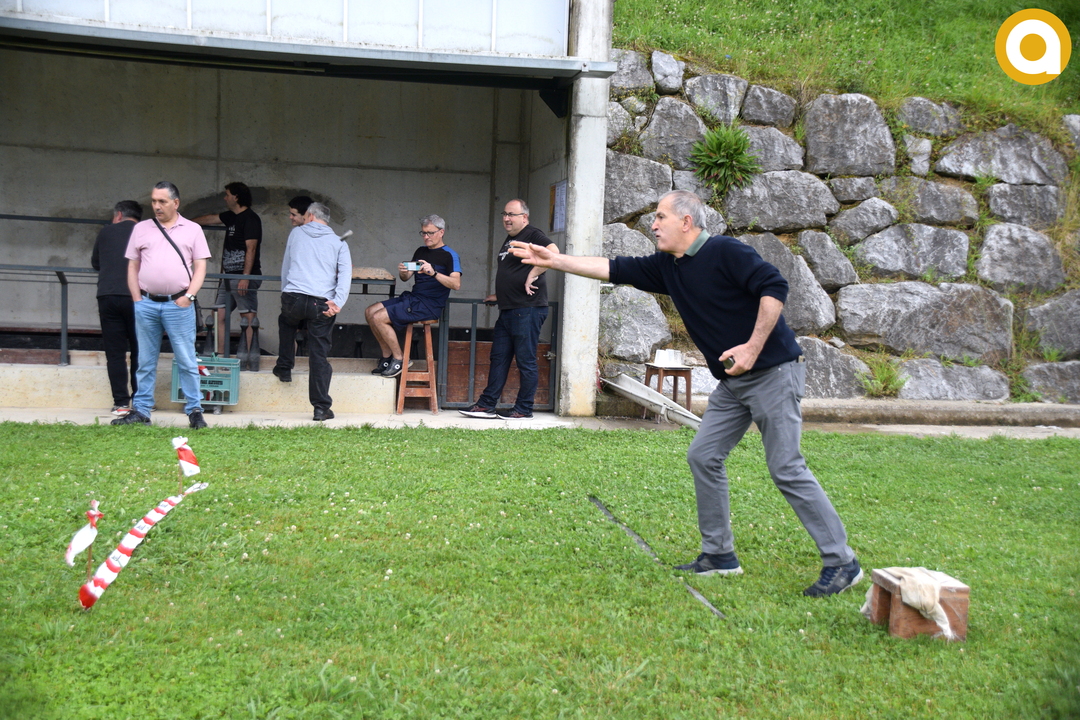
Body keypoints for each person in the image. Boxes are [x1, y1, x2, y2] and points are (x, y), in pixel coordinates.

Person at [509, 190, 862, 597]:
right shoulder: (668, 266)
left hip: (773, 373)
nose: (654, 224)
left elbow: (775, 287)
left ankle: (842, 562)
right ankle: (719, 556)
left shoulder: (726, 252)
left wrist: (752, 347)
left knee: (786, 467)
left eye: (661, 217)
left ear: (687, 222)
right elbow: (612, 267)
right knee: (703, 456)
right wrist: (556, 261)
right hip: (734, 382)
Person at [112, 182, 210, 429]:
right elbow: (133, 265)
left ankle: (195, 411)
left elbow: (200, 267)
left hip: (179, 304)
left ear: (175, 203)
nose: (156, 206)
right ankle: (141, 410)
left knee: (187, 360)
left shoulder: (193, 229)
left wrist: (189, 296)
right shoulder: (141, 228)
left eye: (162, 201)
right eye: (154, 201)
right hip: (146, 303)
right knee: (145, 360)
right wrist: (137, 298)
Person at [459, 199, 558, 420]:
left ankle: (524, 409)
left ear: (525, 217)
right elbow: (512, 271)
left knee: (525, 361)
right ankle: (486, 405)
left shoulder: (533, 234)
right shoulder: (511, 238)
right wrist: (501, 294)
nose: (506, 218)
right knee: (499, 358)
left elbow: (554, 253)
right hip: (508, 308)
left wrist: (533, 274)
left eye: (512, 214)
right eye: (504, 214)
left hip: (528, 309)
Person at [272, 202, 352, 422]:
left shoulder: (296, 234)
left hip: (293, 296)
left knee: (286, 323)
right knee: (318, 353)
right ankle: (320, 407)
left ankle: (284, 367)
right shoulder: (339, 242)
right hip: (321, 302)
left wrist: (285, 292)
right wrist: (337, 303)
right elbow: (345, 275)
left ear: (309, 215)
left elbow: (286, 266)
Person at [364, 214, 462, 378]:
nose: (426, 237)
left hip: (429, 305)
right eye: (423, 233)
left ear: (441, 232)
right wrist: (404, 272)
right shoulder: (420, 251)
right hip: (413, 298)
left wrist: (434, 273)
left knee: (378, 317)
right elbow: (406, 278)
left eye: (430, 233)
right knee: (370, 312)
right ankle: (387, 358)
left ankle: (400, 359)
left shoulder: (450, 255)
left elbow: (456, 284)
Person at [193, 182, 263, 370]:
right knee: (218, 315)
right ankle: (221, 358)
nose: (225, 198)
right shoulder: (231, 216)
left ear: (236, 197)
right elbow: (210, 219)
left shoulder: (251, 219)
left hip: (243, 277)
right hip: (227, 278)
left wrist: (246, 277)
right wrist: (185, 222)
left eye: (227, 194)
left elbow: (251, 248)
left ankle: (248, 359)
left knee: (247, 316)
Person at [91, 200, 142, 416]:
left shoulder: (106, 232)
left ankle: (121, 403)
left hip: (108, 295)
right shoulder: (145, 232)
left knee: (115, 353)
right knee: (140, 351)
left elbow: (96, 263)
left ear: (118, 215)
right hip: (137, 297)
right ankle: (141, 401)